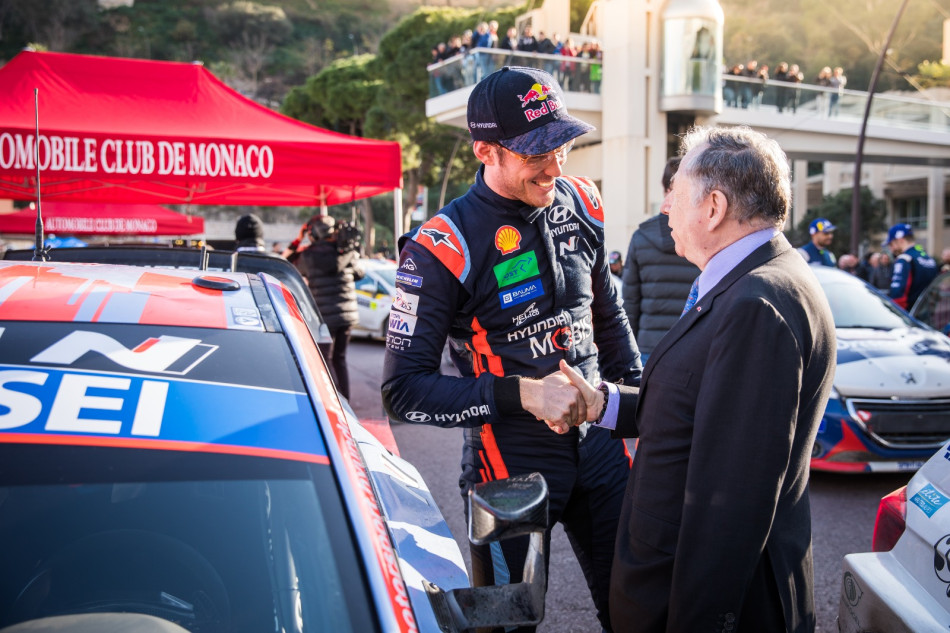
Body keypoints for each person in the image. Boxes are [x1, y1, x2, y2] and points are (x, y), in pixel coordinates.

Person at [381, 65, 642, 633]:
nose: (553, 167)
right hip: (510, 464)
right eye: (534, 154)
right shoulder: (440, 245)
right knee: (506, 626)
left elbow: (608, 317)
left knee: (641, 612)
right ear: (485, 151)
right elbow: (403, 393)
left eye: (561, 146)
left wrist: (637, 401)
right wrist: (523, 394)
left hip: (601, 448)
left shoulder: (584, 202)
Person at [547, 125, 837, 633]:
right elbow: (702, 407)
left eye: (675, 194)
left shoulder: (756, 306)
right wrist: (603, 404)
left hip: (692, 598)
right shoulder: (748, 283)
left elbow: (730, 504)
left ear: (713, 207)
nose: (665, 210)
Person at [621, 155, 700, 358]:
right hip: (692, 344)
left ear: (665, 188)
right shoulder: (704, 235)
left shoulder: (641, 237)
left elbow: (630, 303)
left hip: (649, 347)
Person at [284, 214, 364, 399]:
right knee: (340, 359)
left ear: (313, 233)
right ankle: (346, 401)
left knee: (325, 360)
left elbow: (286, 263)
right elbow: (360, 273)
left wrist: (298, 239)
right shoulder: (345, 251)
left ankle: (334, 401)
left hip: (324, 316)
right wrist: (351, 254)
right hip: (347, 316)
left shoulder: (308, 255)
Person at [886, 222, 938, 310]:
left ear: (900, 240)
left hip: (909, 315)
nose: (891, 249)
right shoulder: (929, 259)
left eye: (891, 244)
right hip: (926, 313)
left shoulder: (904, 259)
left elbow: (898, 294)